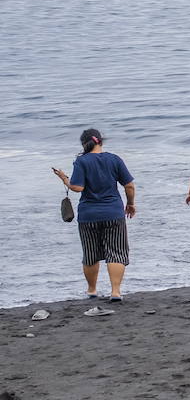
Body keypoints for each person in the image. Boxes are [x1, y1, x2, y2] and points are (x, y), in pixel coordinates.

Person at [52, 128, 135, 302]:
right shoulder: (114, 159)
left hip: (88, 215)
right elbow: (129, 186)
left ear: (84, 144)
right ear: (101, 141)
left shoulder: (81, 161)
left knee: (90, 254)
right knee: (117, 252)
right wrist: (130, 204)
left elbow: (77, 188)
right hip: (113, 213)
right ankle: (116, 292)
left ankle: (91, 290)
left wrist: (64, 178)